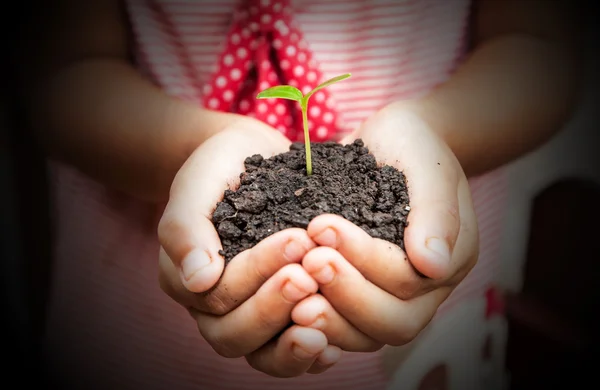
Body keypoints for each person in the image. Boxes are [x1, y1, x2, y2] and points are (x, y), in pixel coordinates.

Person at [20, 0, 582, 388]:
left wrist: (437, 137)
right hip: (132, 334)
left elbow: (540, 47)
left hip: (421, 338)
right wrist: (196, 146)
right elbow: (58, 69)